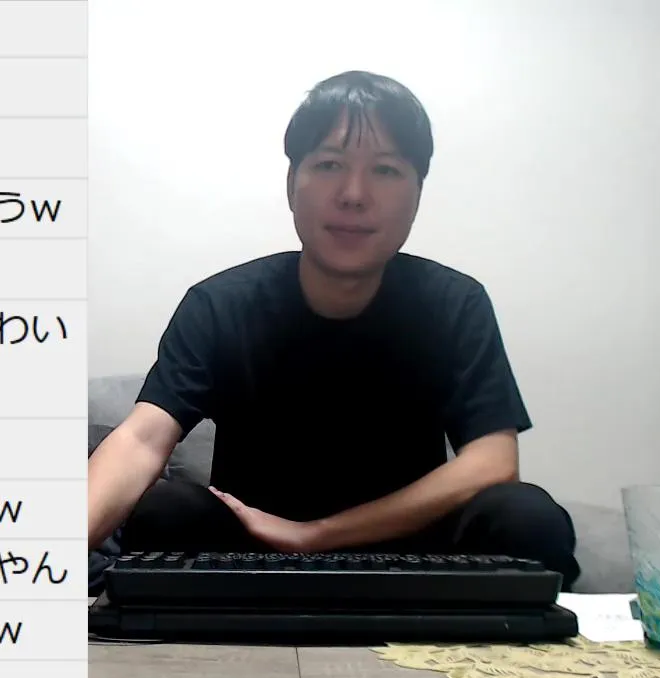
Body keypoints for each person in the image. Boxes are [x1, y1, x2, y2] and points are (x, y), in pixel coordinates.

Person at [87, 70, 581, 590]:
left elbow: (493, 462)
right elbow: (141, 439)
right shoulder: (219, 305)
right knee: (166, 511)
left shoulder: (455, 303)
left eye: (386, 170)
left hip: (416, 568)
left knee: (528, 517)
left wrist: (316, 535)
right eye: (329, 165)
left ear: (417, 193)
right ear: (291, 185)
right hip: (253, 563)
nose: (353, 194)